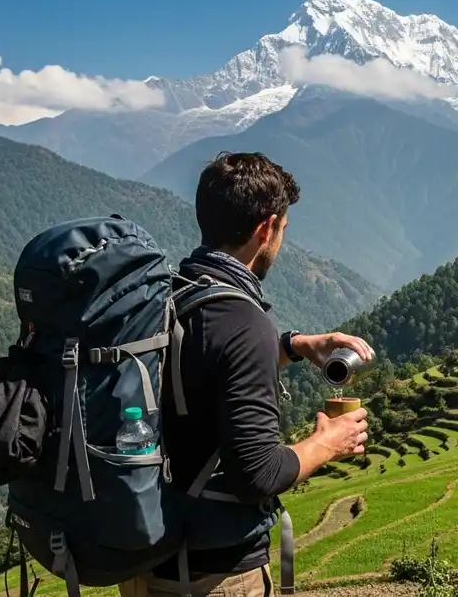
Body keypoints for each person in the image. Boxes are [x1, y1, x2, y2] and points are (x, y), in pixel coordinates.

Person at [117, 151, 372, 597]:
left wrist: (294, 346)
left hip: (147, 564)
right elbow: (257, 474)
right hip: (214, 577)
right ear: (265, 229)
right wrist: (327, 443)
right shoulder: (242, 321)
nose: (280, 244)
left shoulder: (174, 295)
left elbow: (200, 369)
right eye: (283, 231)